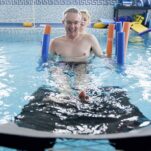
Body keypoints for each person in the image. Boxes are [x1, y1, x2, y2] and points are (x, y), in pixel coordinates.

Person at [49, 8, 103, 102]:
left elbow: (102, 57)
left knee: (81, 71)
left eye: (75, 23)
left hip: (82, 63)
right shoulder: (55, 42)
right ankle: (65, 93)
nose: (72, 26)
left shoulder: (89, 39)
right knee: (56, 70)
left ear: (80, 23)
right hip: (63, 64)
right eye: (69, 22)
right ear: (63, 22)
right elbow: (49, 61)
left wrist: (113, 62)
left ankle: (81, 92)